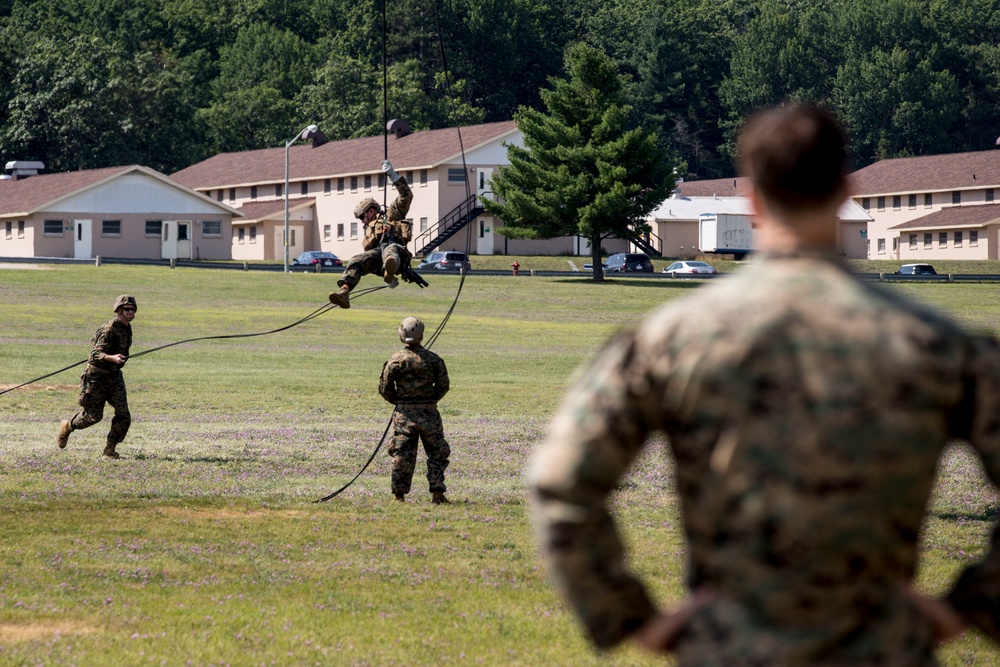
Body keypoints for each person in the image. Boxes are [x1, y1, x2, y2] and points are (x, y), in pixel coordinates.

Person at [529, 104, 1000, 665]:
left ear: (752, 200)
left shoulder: (671, 338)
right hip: (883, 645)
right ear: (843, 190)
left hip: (728, 645)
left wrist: (630, 617)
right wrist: (971, 605)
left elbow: (562, 483)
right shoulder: (937, 343)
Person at [378, 316, 451, 504]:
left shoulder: (395, 360)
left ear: (401, 335)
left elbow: (385, 389)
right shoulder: (434, 360)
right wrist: (430, 400)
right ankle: (437, 494)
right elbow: (443, 386)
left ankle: (398, 495)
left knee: (402, 454)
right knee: (437, 453)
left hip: (404, 415)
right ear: (421, 335)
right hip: (429, 414)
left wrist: (400, 402)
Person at [57, 295, 137, 459]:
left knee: (123, 414)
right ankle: (68, 426)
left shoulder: (127, 327)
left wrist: (117, 361)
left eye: (133, 309)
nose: (131, 312)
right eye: (127, 309)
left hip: (114, 376)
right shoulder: (109, 329)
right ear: (119, 311)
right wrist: (112, 358)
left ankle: (109, 450)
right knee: (94, 416)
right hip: (96, 377)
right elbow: (94, 354)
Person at [329, 160, 413, 309]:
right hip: (380, 260)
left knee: (390, 248)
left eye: (363, 217)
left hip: (399, 253)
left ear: (371, 211)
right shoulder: (368, 232)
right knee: (356, 260)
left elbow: (406, 195)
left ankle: (390, 268)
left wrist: (393, 176)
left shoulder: (391, 213)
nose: (362, 222)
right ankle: (345, 292)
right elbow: (370, 262)